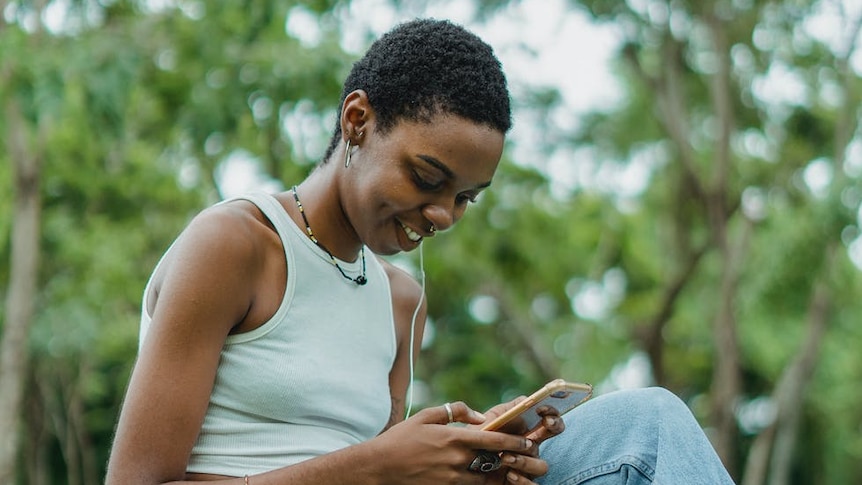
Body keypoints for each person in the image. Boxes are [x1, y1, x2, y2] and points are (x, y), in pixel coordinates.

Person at [106, 18, 735, 485]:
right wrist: (378, 466)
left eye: (467, 198)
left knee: (646, 428)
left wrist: (469, 463)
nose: (442, 214)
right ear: (358, 122)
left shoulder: (401, 299)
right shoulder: (235, 245)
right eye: (428, 179)